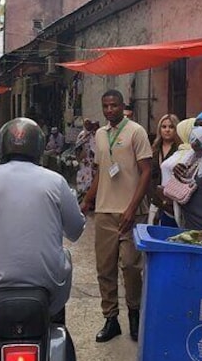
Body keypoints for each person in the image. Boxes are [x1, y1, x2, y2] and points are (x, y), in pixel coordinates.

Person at [0, 118, 84, 322]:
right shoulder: (56, 181)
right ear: (39, 148)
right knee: (65, 255)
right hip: (47, 283)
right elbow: (76, 231)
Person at [81, 89, 152, 342]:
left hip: (131, 212)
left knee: (131, 266)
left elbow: (146, 171)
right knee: (105, 268)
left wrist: (133, 208)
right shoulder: (100, 135)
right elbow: (101, 171)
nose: (109, 110)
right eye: (106, 106)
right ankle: (111, 319)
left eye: (114, 105)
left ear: (123, 106)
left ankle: (135, 315)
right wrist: (87, 200)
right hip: (104, 212)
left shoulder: (136, 131)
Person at [148, 114, 181, 226]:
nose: (167, 130)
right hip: (155, 200)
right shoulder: (154, 149)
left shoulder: (180, 149)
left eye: (171, 127)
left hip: (173, 202)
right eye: (164, 127)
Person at [75, 119, 99, 200]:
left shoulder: (98, 134)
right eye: (86, 124)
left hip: (96, 163)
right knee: (85, 183)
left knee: (96, 182)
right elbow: (77, 151)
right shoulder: (82, 135)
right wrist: (80, 157)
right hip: (85, 164)